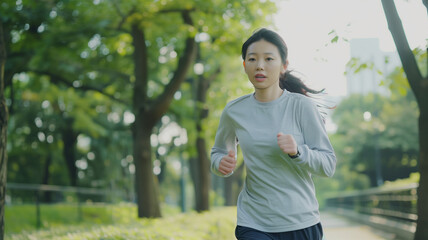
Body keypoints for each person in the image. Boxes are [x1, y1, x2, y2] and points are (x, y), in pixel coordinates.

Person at [210, 28, 337, 240]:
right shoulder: (234, 111)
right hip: (253, 221)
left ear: (283, 66)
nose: (260, 65)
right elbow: (218, 152)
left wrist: (298, 152)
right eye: (252, 59)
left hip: (301, 221)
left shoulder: (301, 107)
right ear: (244, 65)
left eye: (269, 59)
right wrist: (220, 163)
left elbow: (328, 165)